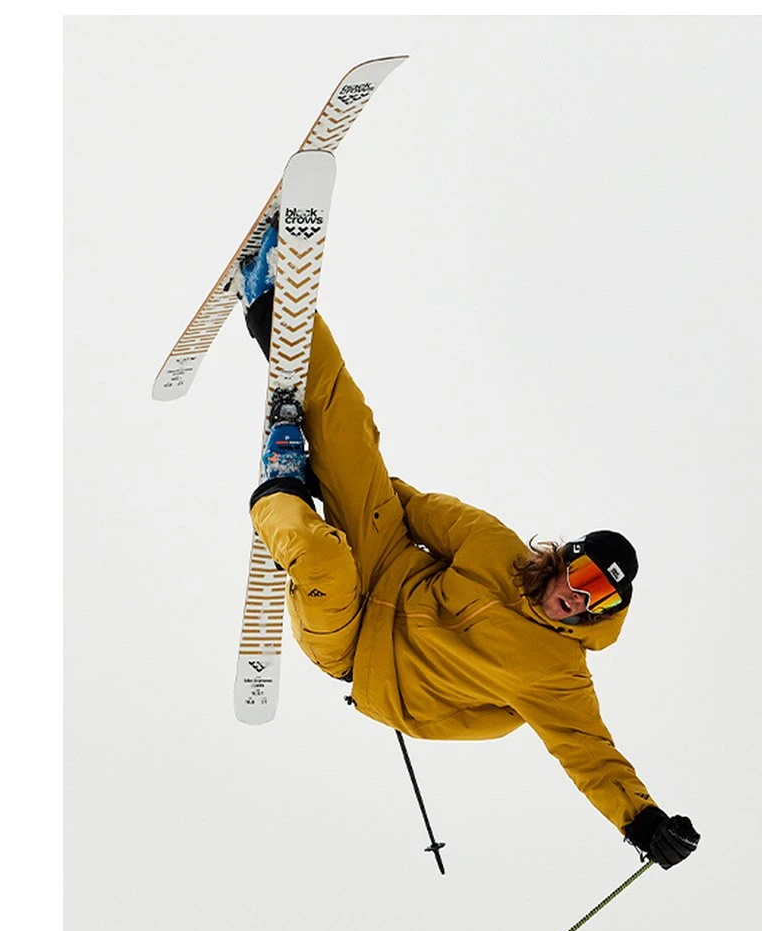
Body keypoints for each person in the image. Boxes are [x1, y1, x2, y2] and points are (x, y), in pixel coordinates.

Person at [233, 223, 700, 870]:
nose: (579, 597)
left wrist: (644, 822)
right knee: (351, 425)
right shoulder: (495, 548)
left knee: (326, 560)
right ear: (565, 560)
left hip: (356, 648)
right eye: (585, 576)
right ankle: (265, 296)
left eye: (598, 597)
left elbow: (591, 755)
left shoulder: (556, 674)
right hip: (388, 561)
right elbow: (409, 508)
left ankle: (277, 485)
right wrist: (340, 471)